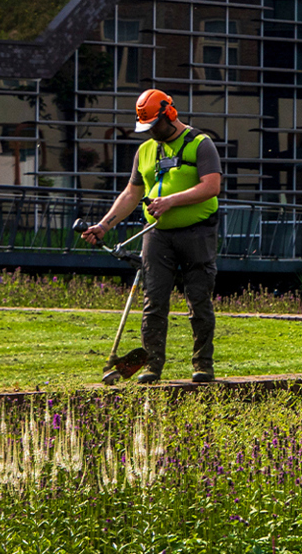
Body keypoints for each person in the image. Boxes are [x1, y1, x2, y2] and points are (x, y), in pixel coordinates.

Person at [81, 89, 222, 384]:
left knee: (198, 301)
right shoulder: (145, 151)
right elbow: (132, 193)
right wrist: (104, 226)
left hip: (197, 233)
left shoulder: (200, 144)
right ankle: (151, 366)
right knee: (153, 301)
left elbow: (211, 187)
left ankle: (202, 365)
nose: (152, 133)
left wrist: (172, 201)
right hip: (157, 235)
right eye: (146, 128)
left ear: (169, 114)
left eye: (155, 126)